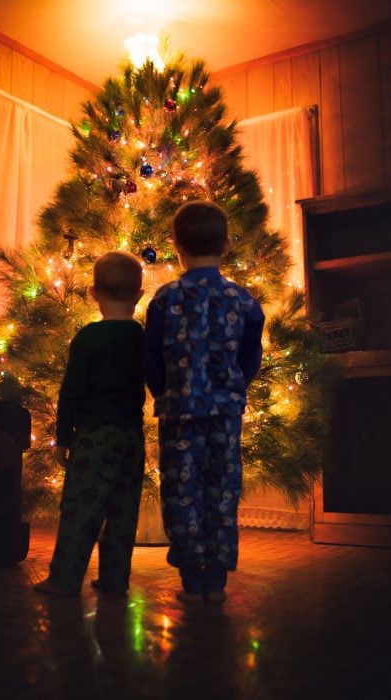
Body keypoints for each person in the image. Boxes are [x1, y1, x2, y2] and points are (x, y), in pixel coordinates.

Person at [144, 200, 264, 604]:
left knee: (182, 490)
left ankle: (192, 578)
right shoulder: (244, 301)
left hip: (179, 412)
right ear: (226, 246)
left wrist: (163, 391)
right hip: (225, 413)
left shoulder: (164, 298)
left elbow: (152, 358)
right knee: (222, 489)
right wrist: (233, 388)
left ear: (176, 245)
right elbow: (250, 358)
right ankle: (216, 577)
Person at [34, 251, 146, 596]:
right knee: (123, 510)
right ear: (139, 296)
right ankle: (115, 578)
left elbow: (72, 393)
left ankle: (65, 579)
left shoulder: (88, 339)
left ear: (93, 293)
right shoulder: (141, 337)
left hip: (94, 438)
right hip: (131, 437)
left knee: (81, 510)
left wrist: (63, 437)